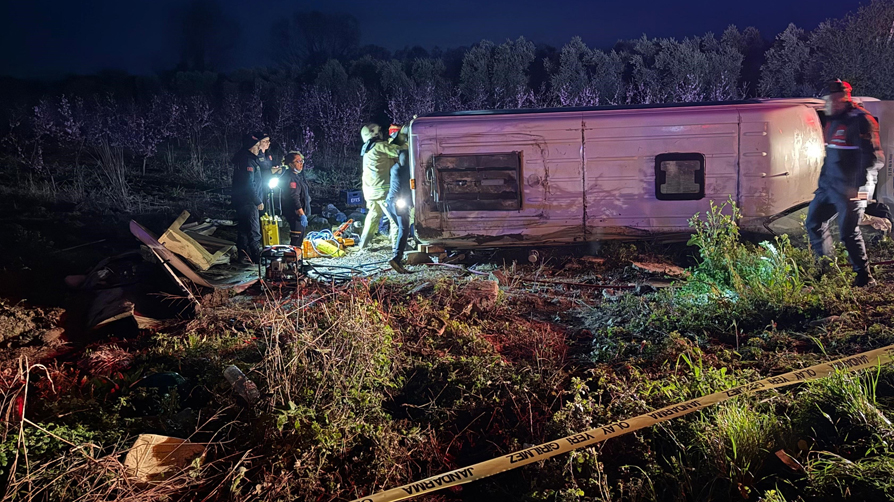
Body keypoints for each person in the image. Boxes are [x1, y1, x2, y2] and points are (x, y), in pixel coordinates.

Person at [805, 79, 885, 287]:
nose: (834, 101)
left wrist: (858, 189)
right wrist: (823, 183)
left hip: (855, 189)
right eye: (831, 98)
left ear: (846, 97)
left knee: (848, 231)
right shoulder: (832, 119)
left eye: (838, 97)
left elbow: (874, 160)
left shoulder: (861, 120)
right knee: (814, 223)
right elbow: (829, 155)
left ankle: (865, 278)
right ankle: (825, 269)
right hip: (830, 186)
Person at [358, 123, 406, 251]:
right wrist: (406, 140)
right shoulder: (380, 146)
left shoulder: (367, 149)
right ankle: (398, 247)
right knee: (395, 219)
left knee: (373, 216)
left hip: (370, 191)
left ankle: (363, 244)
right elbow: (400, 151)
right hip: (382, 190)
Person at [231, 132, 265, 264]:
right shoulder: (248, 161)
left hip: (242, 200)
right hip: (248, 201)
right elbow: (249, 183)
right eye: (257, 146)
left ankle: (243, 255)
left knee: (244, 229)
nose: (259, 148)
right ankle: (256, 259)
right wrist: (257, 200)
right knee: (253, 230)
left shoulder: (246, 158)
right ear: (251, 147)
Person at [382, 124, 412, 273]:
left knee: (403, 229)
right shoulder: (404, 169)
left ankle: (399, 256)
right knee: (404, 229)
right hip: (398, 203)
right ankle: (396, 258)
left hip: (391, 202)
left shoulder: (395, 168)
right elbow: (405, 188)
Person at [281, 151, 311, 248]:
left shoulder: (297, 176)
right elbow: (294, 197)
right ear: (290, 164)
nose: (301, 163)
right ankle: (293, 260)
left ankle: (295, 259)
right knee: (296, 240)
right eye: (298, 161)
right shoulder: (291, 178)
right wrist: (301, 214)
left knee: (298, 239)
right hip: (295, 214)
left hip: (298, 214)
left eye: (302, 161)